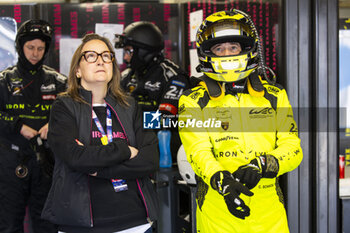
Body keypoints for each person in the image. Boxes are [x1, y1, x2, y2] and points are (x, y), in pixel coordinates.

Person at [178, 9, 303, 233]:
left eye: (233, 47)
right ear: (207, 53)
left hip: (270, 215)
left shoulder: (274, 95)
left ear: (247, 49)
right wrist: (223, 182)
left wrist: (265, 164)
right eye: (219, 48)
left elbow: (293, 148)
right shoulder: (193, 99)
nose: (227, 54)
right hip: (217, 212)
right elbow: (197, 151)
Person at [41, 33, 159, 233]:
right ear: (77, 70)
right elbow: (75, 158)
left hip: (136, 222)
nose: (100, 61)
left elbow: (150, 159)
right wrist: (125, 151)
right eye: (91, 56)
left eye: (106, 56)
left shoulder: (131, 106)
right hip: (80, 224)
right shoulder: (63, 107)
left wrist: (98, 168)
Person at [0, 19, 67, 233]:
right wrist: (18, 125)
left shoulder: (58, 82)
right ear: (20, 46)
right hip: (11, 162)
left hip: (47, 163)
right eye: (30, 47)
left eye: (40, 48)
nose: (35, 53)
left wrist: (53, 124)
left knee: (47, 225)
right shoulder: (4, 80)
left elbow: (74, 114)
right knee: (9, 225)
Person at [114, 21, 191, 158]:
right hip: (131, 150)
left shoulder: (173, 76)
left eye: (129, 51)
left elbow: (168, 120)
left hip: (163, 155)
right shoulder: (128, 75)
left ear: (144, 50)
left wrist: (132, 118)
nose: (125, 57)